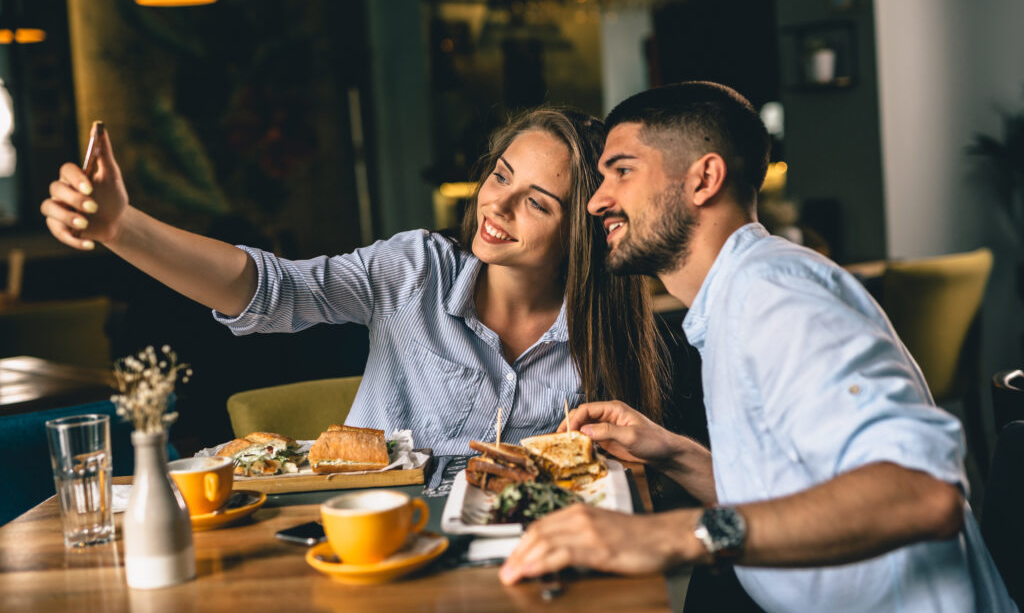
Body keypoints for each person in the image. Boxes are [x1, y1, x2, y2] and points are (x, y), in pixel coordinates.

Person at [499, 82, 1016, 612]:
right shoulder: (734, 298)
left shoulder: (774, 298)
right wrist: (674, 452)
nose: (597, 200)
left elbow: (923, 493)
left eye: (623, 171)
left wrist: (670, 536)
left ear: (705, 178)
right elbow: (798, 502)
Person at [40, 108, 668, 455]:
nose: (496, 207)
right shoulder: (414, 269)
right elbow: (270, 290)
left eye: (537, 203)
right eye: (500, 177)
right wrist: (122, 227)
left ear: (578, 235)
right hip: (367, 554)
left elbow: (618, 478)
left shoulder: (599, 329)